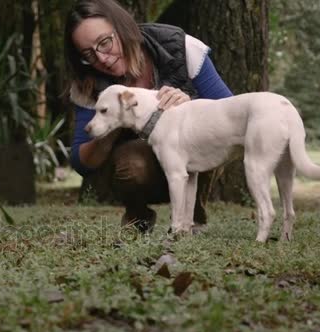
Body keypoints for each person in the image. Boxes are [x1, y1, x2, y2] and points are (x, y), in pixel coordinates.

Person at [64, 0, 233, 231]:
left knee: (197, 134)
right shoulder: (87, 82)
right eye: (88, 54)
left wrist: (190, 106)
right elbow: (81, 162)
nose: (101, 58)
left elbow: (229, 111)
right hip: (140, 161)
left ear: (123, 28)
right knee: (130, 163)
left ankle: (193, 216)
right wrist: (113, 121)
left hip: (191, 151)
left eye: (104, 42)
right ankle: (138, 214)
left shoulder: (179, 47)